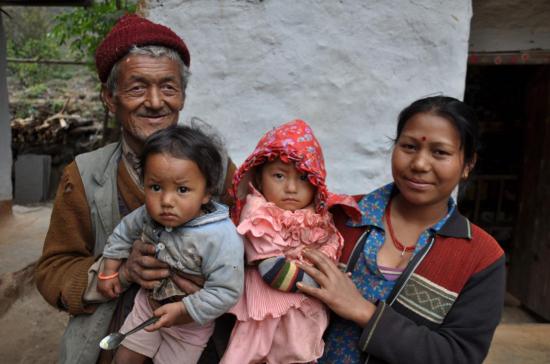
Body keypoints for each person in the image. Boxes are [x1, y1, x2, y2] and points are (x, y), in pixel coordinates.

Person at [34, 14, 236, 364]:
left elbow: (253, 250)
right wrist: (120, 272)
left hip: (199, 339)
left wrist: (211, 283)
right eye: (137, 88)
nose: (156, 102)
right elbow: (52, 271)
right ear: (110, 98)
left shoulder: (216, 169)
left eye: (168, 87)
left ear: (183, 97)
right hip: (115, 338)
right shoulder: (84, 175)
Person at [298, 96, 506, 364]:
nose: (419, 164)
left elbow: (459, 355)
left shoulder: (481, 257)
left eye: (440, 152)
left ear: (467, 164)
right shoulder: (339, 216)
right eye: (408, 146)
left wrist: (364, 312)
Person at [97, 126, 244, 364]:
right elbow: (123, 233)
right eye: (155, 187)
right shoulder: (146, 213)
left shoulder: (221, 236)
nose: (166, 201)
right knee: (123, 359)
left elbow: (227, 290)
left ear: (206, 193)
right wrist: (109, 269)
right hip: (148, 308)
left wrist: (183, 311)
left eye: (182, 190)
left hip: (191, 324)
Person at [220, 119, 361, 364]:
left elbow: (328, 251)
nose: (292, 188)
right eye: (279, 176)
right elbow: (272, 270)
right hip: (264, 316)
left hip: (301, 316)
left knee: (298, 354)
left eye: (304, 178)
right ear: (260, 179)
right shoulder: (260, 215)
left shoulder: (318, 219)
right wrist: (323, 281)